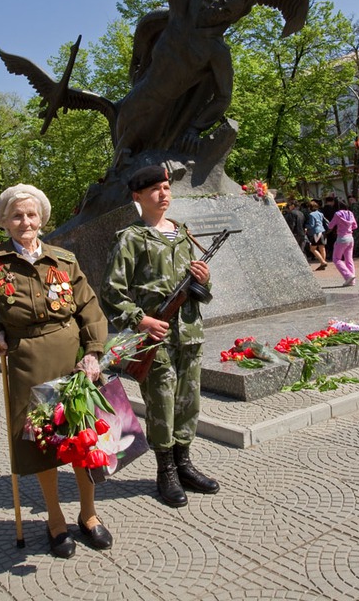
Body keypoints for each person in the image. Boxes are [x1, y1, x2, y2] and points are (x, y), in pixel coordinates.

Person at [0, 184, 111, 559]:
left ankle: (89, 514)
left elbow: (89, 308)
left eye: (31, 214)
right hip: (27, 361)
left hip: (72, 359)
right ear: (5, 222)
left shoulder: (64, 260)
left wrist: (93, 352)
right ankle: (55, 521)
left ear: (41, 218)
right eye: (16, 215)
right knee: (44, 443)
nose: (25, 221)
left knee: (83, 440)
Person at [100, 165, 219, 508]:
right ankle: (165, 470)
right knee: (161, 404)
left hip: (190, 333)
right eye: (154, 189)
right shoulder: (131, 238)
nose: (163, 193)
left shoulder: (182, 234)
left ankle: (184, 463)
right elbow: (111, 292)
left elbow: (199, 289)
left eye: (166, 187)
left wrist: (204, 277)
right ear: (137, 197)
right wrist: (141, 321)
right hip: (156, 338)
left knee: (188, 401)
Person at [327, 200, 358, 286]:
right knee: (349, 259)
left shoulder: (337, 214)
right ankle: (352, 280)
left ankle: (348, 276)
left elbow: (330, 225)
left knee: (336, 259)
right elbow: (355, 226)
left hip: (341, 238)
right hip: (350, 238)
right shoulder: (350, 213)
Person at [305, 200, 328, 269]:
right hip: (323, 231)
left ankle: (323, 262)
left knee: (313, 248)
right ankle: (322, 264)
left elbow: (312, 225)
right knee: (322, 248)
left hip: (316, 232)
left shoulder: (311, 214)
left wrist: (306, 226)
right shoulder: (320, 213)